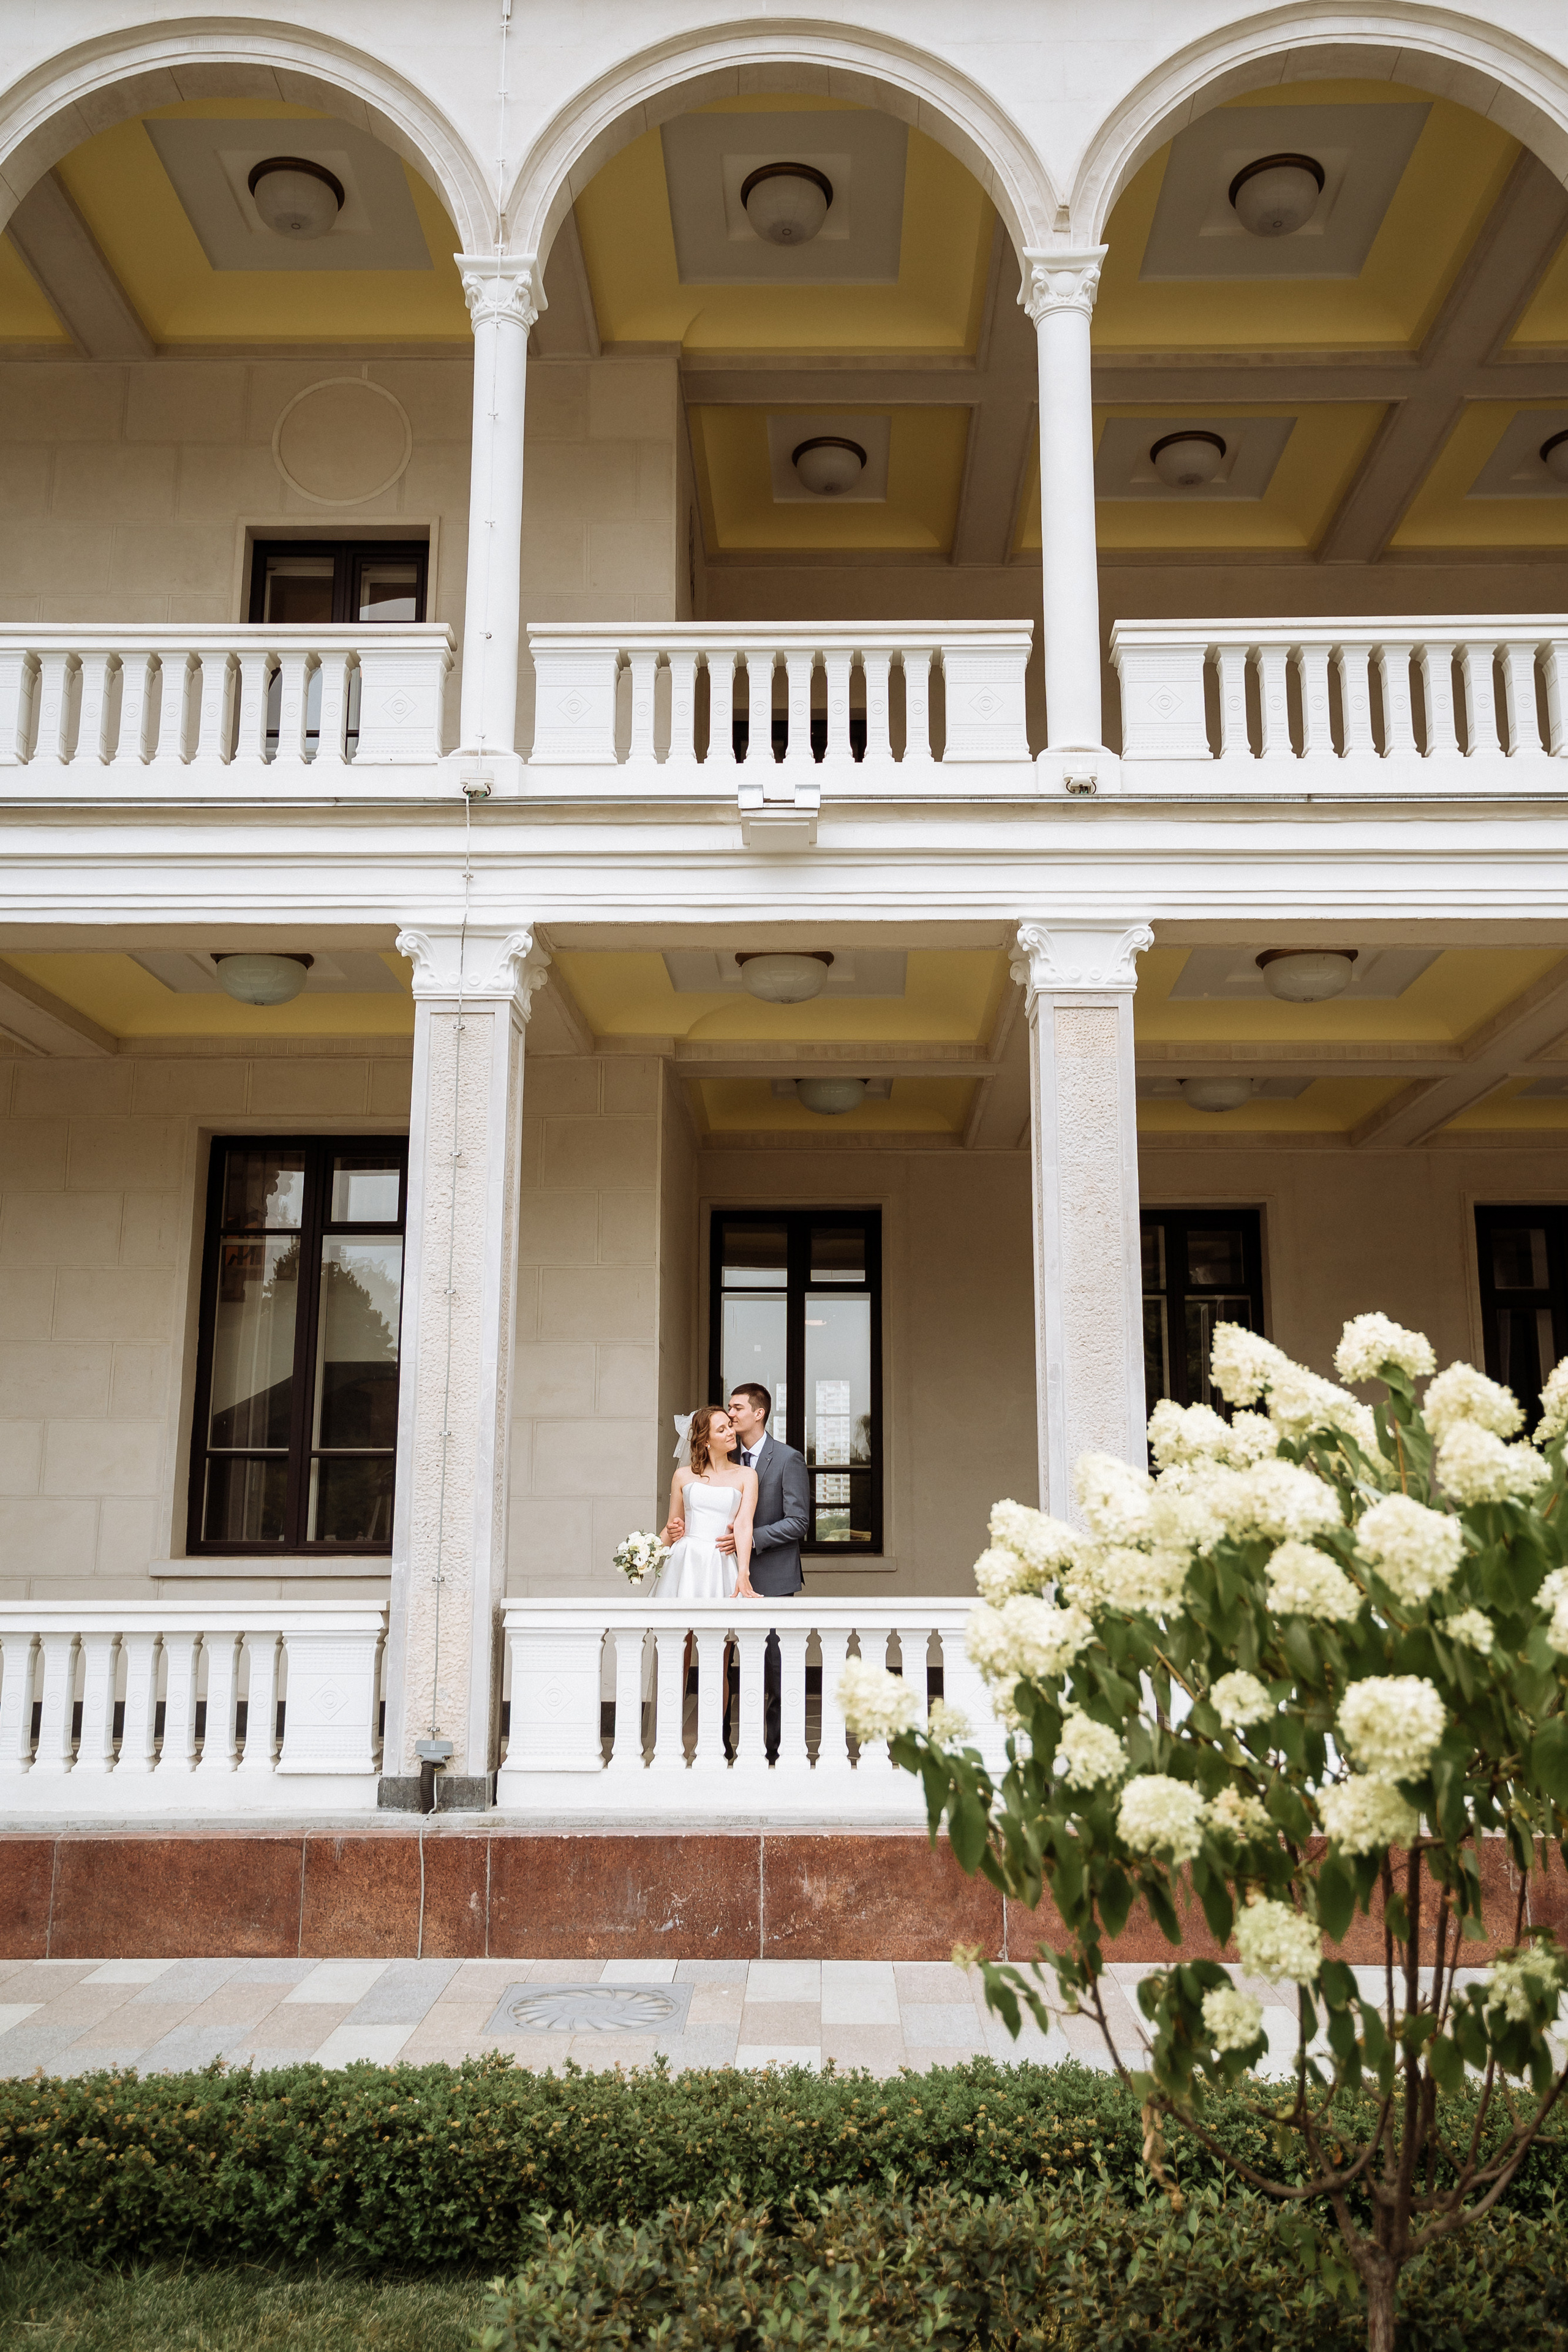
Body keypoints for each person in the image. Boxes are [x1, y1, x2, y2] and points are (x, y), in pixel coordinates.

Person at [714, 1382, 809, 1757]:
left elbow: (798, 1522)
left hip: (772, 1577)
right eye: (729, 1408)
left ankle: (775, 1750)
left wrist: (749, 1539)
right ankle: (720, 1748)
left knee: (774, 1668)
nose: (731, 1414)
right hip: (721, 1576)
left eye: (737, 1408)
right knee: (719, 1663)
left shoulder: (787, 1459)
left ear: (759, 1413)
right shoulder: (723, 1457)